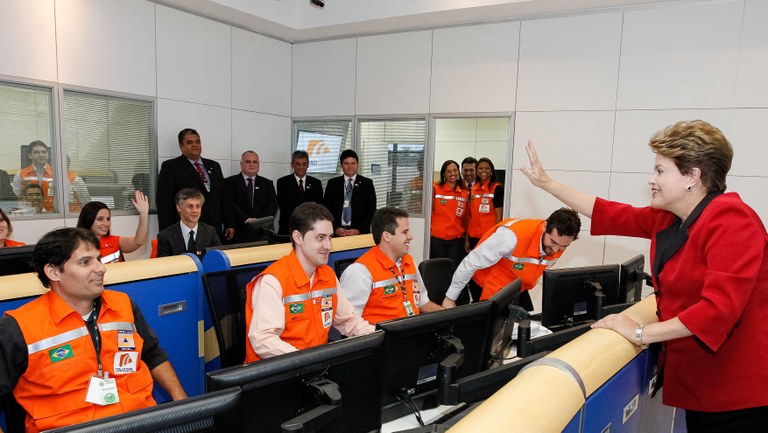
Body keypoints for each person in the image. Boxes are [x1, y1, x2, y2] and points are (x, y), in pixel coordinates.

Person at [520, 120, 768, 432]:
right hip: (703, 386)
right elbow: (609, 212)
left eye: (661, 171)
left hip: (737, 395)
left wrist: (640, 334)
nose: (652, 180)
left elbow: (717, 311)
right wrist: (547, 183)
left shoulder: (733, 221)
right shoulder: (669, 217)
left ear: (693, 176)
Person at [0, 228, 186, 433]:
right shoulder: (18, 327)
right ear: (53, 272)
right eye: (85, 262)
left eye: (99, 259)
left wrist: (182, 405)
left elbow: (153, 354)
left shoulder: (123, 306)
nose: (101, 268)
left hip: (139, 422)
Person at [244, 202, 374, 362]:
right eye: (320, 238)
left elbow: (348, 321)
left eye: (330, 237)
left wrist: (380, 335)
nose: (328, 245)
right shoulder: (273, 281)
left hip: (313, 367)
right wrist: (305, 360)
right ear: (298, 237)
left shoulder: (327, 275)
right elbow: (263, 340)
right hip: (276, 374)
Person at [442, 208, 581, 310]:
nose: (556, 251)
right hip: (488, 285)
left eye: (563, 247)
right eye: (553, 243)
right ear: (545, 226)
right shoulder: (511, 237)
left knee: (528, 327)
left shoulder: (560, 241)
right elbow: (471, 261)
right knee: (490, 336)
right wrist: (450, 298)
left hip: (516, 286)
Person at [340, 207, 442, 324]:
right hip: (382, 340)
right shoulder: (359, 272)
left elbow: (423, 302)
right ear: (387, 236)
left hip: (411, 335)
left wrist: (449, 315)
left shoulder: (409, 262)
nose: (410, 236)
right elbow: (349, 322)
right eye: (405, 232)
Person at [156, 128, 224, 233]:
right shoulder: (171, 167)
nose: (195, 145)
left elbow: (222, 197)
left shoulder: (214, 166)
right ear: (181, 146)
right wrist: (166, 233)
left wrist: (229, 223)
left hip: (214, 227)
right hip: (187, 228)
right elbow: (164, 203)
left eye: (197, 142)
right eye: (189, 142)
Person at [76, 191, 149, 264]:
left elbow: (138, 241)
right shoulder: (77, 245)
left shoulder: (114, 241)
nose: (106, 223)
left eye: (108, 219)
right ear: (88, 220)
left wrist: (143, 214)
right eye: (100, 219)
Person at [222, 151, 277, 244]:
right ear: (241, 164)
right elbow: (229, 204)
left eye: (255, 162)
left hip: (262, 232)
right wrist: (247, 219)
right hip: (237, 232)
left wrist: (259, 221)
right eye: (248, 162)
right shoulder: (229, 182)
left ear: (258, 164)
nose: (252, 164)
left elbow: (273, 205)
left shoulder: (267, 184)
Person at [323, 149, 376, 237]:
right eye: (346, 163)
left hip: (359, 234)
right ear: (341, 165)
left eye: (353, 163)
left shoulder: (367, 184)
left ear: (357, 164)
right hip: (337, 233)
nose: (350, 167)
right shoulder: (332, 184)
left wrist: (358, 230)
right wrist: (335, 228)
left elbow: (371, 211)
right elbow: (326, 210)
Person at [157, 188, 221, 258]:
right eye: (190, 206)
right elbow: (165, 266)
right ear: (179, 207)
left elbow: (218, 259)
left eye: (198, 206)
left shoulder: (210, 232)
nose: (195, 210)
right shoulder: (165, 236)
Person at [429, 160, 468, 271]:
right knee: (437, 269)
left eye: (455, 170)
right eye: (449, 171)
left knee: (452, 270)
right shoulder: (436, 189)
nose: (453, 174)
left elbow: (465, 218)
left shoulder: (464, 193)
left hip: (455, 239)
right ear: (444, 174)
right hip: (437, 238)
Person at [276, 150, 323, 237]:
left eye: (304, 164)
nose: (301, 167)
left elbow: (318, 207)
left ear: (308, 165)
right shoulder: (282, 182)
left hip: (310, 230)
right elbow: (284, 207)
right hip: (289, 229)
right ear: (292, 165)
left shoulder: (316, 183)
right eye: (298, 164)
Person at [466, 157, 504, 251]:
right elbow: (470, 216)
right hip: (473, 236)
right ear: (477, 171)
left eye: (487, 168)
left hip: (489, 236)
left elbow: (499, 216)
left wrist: (496, 237)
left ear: (491, 171)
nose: (484, 171)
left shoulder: (497, 188)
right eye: (481, 168)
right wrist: (467, 238)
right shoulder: (473, 189)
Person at [12, 140, 55, 212]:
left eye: (44, 152)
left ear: (48, 154)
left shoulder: (56, 174)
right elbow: (18, 197)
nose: (41, 155)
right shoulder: (20, 174)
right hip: (29, 215)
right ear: (30, 155)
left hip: (54, 214)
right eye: (36, 152)